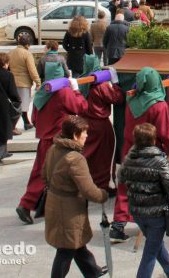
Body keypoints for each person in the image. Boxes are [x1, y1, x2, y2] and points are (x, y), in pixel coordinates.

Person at [111, 67, 169, 243]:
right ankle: (153, 222)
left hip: (130, 149)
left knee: (125, 186)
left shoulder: (131, 99)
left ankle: (118, 224)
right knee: (151, 188)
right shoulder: (159, 105)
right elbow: (164, 133)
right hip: (150, 154)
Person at [16, 65, 87, 225]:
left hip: (44, 139)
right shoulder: (63, 92)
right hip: (60, 141)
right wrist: (76, 90)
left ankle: (28, 204)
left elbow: (34, 118)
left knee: (39, 173)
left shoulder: (42, 92)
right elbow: (81, 107)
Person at [44, 116, 109, 278]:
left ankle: (92, 272)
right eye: (84, 133)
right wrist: (102, 195)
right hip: (69, 209)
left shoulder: (53, 149)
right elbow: (88, 190)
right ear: (75, 135)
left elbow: (43, 174)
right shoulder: (75, 159)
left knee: (77, 244)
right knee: (67, 249)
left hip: (54, 202)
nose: (86, 136)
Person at [120, 123, 169, 278]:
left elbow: (121, 177)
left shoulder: (129, 158)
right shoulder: (159, 161)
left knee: (155, 243)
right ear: (153, 140)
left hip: (137, 211)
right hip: (156, 213)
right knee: (150, 253)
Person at [80, 61, 124, 191]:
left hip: (85, 124)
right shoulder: (101, 85)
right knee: (105, 157)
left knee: (89, 155)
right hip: (100, 125)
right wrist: (115, 83)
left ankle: (87, 182)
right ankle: (105, 185)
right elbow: (118, 98)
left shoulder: (82, 82)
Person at [8, 34, 41, 133]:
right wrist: (38, 82)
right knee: (22, 105)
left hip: (13, 82)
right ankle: (12, 126)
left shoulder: (10, 53)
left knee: (16, 104)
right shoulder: (27, 54)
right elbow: (32, 70)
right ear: (27, 44)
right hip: (24, 83)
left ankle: (26, 123)